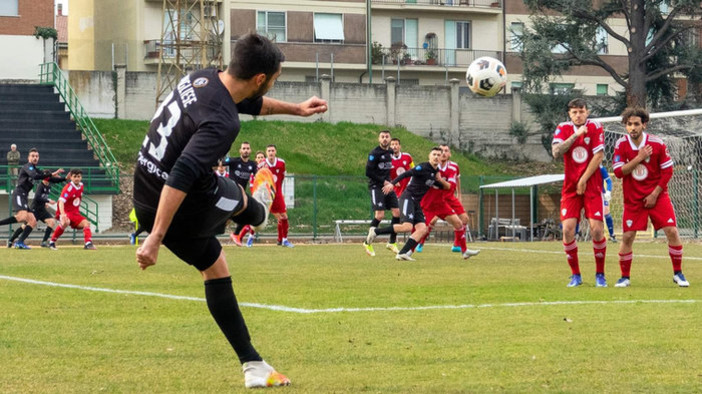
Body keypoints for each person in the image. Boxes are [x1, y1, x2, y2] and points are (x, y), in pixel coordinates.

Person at [133, 33, 327, 389]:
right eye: (273, 79)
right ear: (259, 79)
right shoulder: (224, 122)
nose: (272, 84)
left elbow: (250, 104)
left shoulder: (201, 78)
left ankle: (252, 364)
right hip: (180, 201)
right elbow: (183, 173)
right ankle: (255, 208)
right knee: (241, 200)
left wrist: (297, 109)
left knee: (215, 267)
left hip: (144, 197)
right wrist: (155, 239)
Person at [612, 107, 689, 288]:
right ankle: (624, 277)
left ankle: (678, 273)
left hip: (658, 195)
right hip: (633, 199)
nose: (632, 128)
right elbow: (618, 172)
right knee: (628, 236)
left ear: (644, 125)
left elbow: (668, 171)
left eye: (636, 124)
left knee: (672, 231)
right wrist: (639, 158)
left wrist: (655, 194)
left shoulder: (657, 143)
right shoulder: (620, 145)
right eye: (629, 124)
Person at [551, 98, 607, 288]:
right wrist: (575, 136)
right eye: (574, 112)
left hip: (592, 185)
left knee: (597, 229)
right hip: (570, 187)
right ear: (569, 114)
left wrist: (583, 179)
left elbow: (599, 156)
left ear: (587, 112)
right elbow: (556, 152)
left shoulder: (596, 127)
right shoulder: (563, 128)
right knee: (567, 229)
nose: (578, 115)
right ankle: (576, 275)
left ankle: (600, 274)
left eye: (581, 111)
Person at [366, 147, 448, 261]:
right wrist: (392, 184)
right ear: (429, 156)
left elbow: (445, 187)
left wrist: (441, 180)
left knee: (422, 229)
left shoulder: (435, 174)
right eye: (434, 154)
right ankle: (376, 231)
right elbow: (406, 174)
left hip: (416, 202)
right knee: (407, 226)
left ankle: (403, 253)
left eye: (439, 155)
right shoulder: (422, 167)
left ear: (441, 159)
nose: (436, 157)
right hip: (408, 198)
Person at [415, 145, 480, 259]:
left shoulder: (454, 166)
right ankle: (420, 243)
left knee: (464, 219)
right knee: (431, 222)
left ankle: (457, 245)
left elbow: (456, 180)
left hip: (449, 197)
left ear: (450, 154)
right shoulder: (433, 166)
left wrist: (459, 194)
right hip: (436, 199)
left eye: (446, 151)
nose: (443, 153)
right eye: (441, 151)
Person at [0, 148, 62, 249]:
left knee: (32, 220)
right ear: (29, 157)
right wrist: (51, 174)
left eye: (36, 156)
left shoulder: (35, 169)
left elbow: (46, 177)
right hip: (19, 193)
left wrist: (64, 178)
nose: (35, 158)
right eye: (33, 156)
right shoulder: (27, 167)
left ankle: (19, 242)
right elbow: (36, 176)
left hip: (24, 196)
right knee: (22, 217)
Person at [362, 130, 401, 257]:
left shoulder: (390, 152)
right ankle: (367, 242)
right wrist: (383, 181)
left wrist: (392, 182)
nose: (385, 139)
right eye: (382, 137)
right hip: (377, 187)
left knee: (397, 212)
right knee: (380, 215)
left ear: (390, 139)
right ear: (379, 139)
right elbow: (368, 172)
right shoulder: (374, 153)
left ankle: (392, 242)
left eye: (387, 137)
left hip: (388, 186)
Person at [7, 174, 66, 248]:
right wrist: (48, 201)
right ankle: (11, 240)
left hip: (42, 210)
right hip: (35, 209)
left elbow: (43, 197)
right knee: (25, 226)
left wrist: (45, 203)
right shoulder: (40, 186)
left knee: (51, 221)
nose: (47, 180)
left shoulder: (48, 186)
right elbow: (37, 197)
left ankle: (44, 242)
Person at [49, 169, 96, 250]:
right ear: (71, 177)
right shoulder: (68, 188)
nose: (77, 178)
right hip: (66, 212)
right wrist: (63, 214)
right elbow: (61, 202)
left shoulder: (81, 186)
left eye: (78, 176)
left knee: (86, 223)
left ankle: (88, 243)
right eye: (74, 177)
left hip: (75, 213)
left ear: (81, 177)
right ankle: (52, 242)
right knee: (65, 223)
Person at [259, 144, 294, 247]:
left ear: (275, 152)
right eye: (269, 151)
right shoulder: (261, 165)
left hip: (277, 194)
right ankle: (249, 239)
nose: (271, 152)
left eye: (272, 150)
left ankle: (283, 240)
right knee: (260, 217)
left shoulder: (281, 163)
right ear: (266, 153)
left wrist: (277, 189)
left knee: (284, 217)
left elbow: (282, 177)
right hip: (267, 195)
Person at [228, 142, 258, 246]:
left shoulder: (252, 165)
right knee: (226, 215)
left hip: (241, 194)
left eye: (247, 148)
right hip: (231, 192)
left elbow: (258, 176)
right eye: (244, 148)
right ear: (240, 150)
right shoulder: (234, 161)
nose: (245, 150)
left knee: (248, 214)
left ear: (250, 151)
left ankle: (236, 234)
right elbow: (220, 163)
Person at [599, 164, 617, 242]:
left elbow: (608, 181)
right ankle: (575, 234)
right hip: (589, 194)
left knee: (606, 212)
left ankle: (612, 235)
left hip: (601, 194)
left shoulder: (600, 167)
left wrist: (608, 191)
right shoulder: (585, 166)